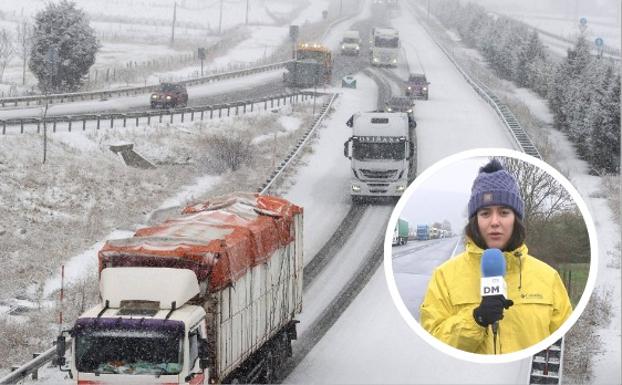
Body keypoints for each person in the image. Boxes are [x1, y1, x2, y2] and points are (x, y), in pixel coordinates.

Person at [419, 158, 573, 354]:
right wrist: (476, 320)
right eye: (485, 213)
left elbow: (560, 348)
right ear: (475, 221)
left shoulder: (548, 278)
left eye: (503, 212)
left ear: (516, 219)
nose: (494, 222)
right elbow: (431, 344)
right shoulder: (444, 276)